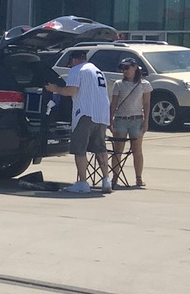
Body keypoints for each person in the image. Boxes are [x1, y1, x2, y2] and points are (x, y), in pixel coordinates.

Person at [45, 49, 111, 194]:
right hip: (102, 114)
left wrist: (54, 89)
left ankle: (82, 182)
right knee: (100, 147)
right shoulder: (97, 70)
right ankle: (106, 180)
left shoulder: (77, 70)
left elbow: (71, 91)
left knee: (79, 149)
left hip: (85, 113)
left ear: (74, 60)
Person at [109, 57, 151, 188]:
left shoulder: (145, 84)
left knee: (137, 150)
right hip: (121, 119)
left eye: (127, 68)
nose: (124, 71)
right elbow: (113, 103)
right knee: (118, 150)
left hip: (136, 119)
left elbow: (146, 104)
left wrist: (146, 121)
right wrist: (110, 120)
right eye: (122, 68)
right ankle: (115, 177)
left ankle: (138, 178)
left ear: (135, 68)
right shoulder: (118, 84)